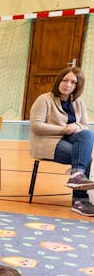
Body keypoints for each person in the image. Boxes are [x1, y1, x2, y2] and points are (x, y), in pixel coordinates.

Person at [29, 67, 94, 216]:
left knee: (87, 135)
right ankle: (80, 201)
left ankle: (76, 176)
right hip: (47, 142)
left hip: (71, 140)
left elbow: (85, 125)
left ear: (78, 86)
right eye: (65, 80)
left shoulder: (79, 103)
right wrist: (64, 129)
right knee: (85, 158)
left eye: (73, 82)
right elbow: (36, 126)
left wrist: (76, 125)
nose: (68, 84)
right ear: (59, 81)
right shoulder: (44, 99)